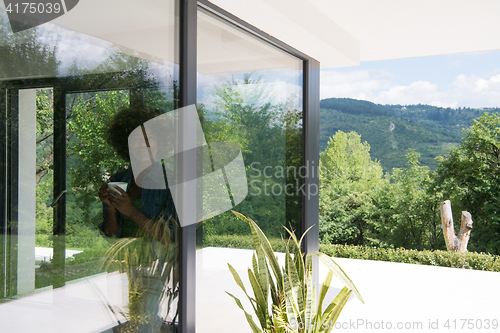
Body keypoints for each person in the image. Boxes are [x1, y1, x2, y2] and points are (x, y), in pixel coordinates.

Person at [98, 104, 176, 239]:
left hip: (158, 260)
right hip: (121, 259)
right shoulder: (118, 179)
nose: (142, 144)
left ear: (160, 142)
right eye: (135, 139)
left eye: (149, 138)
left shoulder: (171, 181)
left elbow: (169, 238)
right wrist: (110, 207)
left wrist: (131, 212)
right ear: (126, 143)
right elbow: (110, 234)